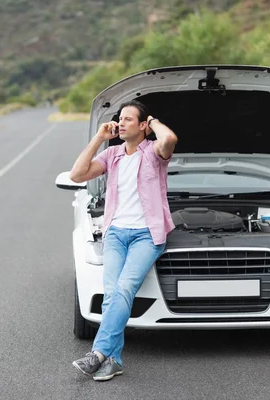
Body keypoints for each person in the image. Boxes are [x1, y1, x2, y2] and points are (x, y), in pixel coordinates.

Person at [69, 99, 178, 381]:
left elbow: (170, 138)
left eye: (128, 119)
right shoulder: (113, 155)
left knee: (125, 287)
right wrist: (98, 137)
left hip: (147, 234)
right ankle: (113, 360)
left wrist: (152, 121)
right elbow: (77, 174)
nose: (121, 122)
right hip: (116, 232)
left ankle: (98, 353)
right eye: (120, 118)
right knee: (111, 295)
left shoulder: (155, 152)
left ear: (142, 126)